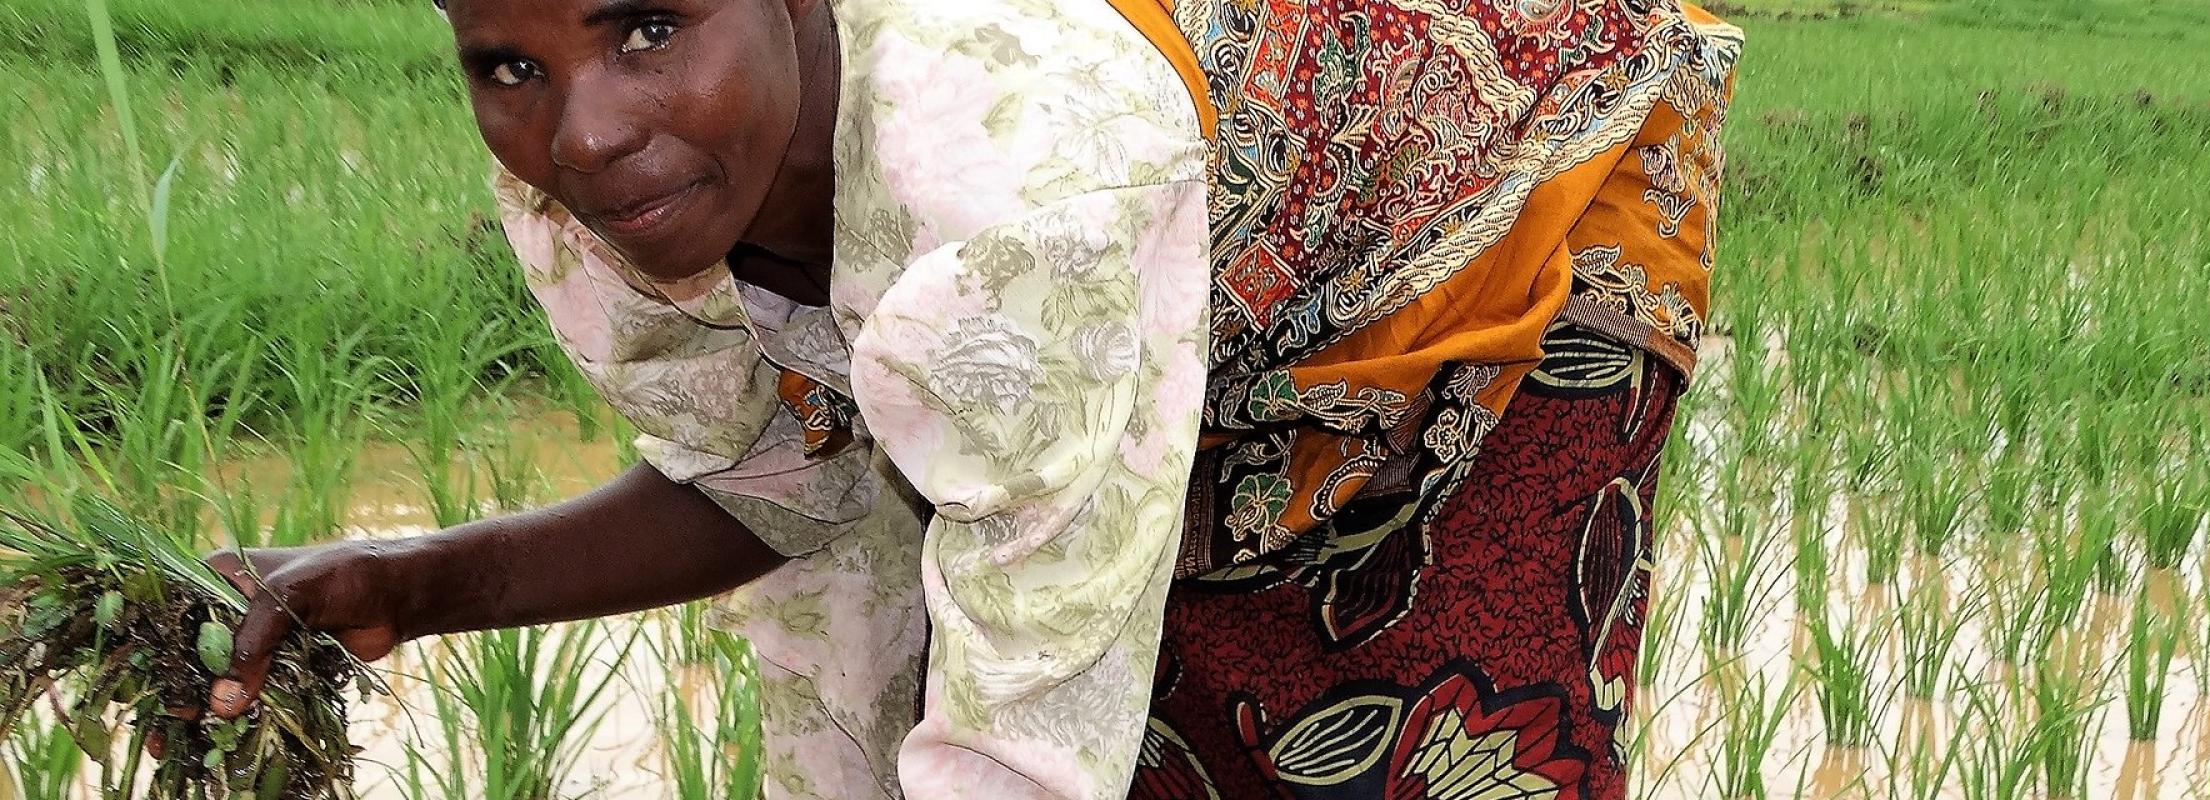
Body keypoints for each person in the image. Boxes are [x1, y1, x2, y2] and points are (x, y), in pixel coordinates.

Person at [194, 0, 1741, 796]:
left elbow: (1023, 734)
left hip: (1493, 221)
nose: (583, 133)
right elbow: (780, 479)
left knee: (1424, 741)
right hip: (1172, 281)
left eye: (650, 23)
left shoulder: (1008, 179)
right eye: (506, 65)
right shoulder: (596, 185)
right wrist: (405, 582)